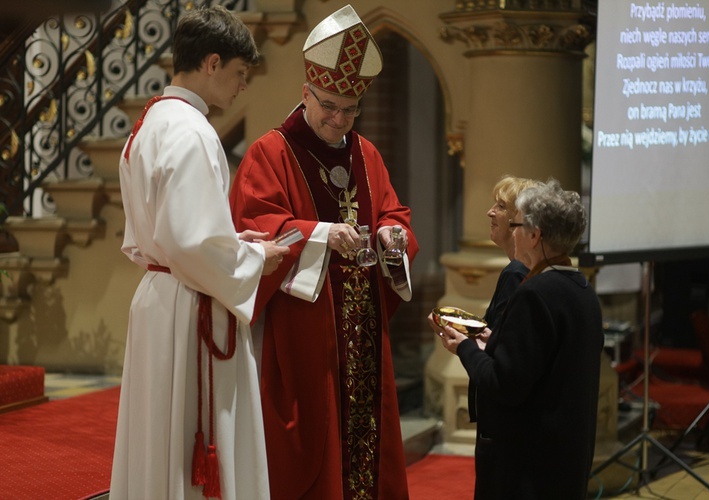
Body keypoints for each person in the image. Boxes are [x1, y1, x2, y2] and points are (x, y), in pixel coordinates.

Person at [228, 5, 418, 499]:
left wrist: (391, 237)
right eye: (329, 105)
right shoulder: (270, 153)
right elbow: (256, 229)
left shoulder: (366, 154)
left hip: (362, 327)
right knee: (312, 443)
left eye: (351, 109)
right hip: (303, 330)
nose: (339, 120)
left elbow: (395, 215)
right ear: (306, 93)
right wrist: (321, 235)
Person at [111, 6, 289, 499]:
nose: (241, 87)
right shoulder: (193, 131)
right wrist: (255, 259)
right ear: (212, 63)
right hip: (191, 307)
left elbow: (170, 234)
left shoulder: (149, 122)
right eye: (239, 73)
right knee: (196, 435)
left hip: (158, 298)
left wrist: (232, 243)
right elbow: (191, 245)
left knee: (158, 440)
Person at [429, 179, 602, 499]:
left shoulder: (535, 294)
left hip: (527, 465)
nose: (514, 231)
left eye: (518, 225)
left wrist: (464, 347)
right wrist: (493, 338)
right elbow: (543, 364)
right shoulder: (582, 290)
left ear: (534, 236)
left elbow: (503, 383)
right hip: (565, 458)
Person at [483, 175, 540, 330]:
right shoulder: (526, 269)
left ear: (519, 217)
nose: (490, 212)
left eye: (501, 206)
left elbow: (501, 345)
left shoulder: (516, 273)